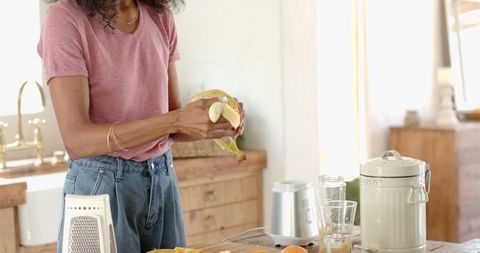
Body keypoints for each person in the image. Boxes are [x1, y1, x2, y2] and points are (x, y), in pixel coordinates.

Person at [37, 0, 245, 252]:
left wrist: (211, 122)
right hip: (100, 187)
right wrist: (176, 119)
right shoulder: (65, 18)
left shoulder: (160, 16)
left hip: (163, 180)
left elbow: (171, 120)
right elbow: (77, 140)